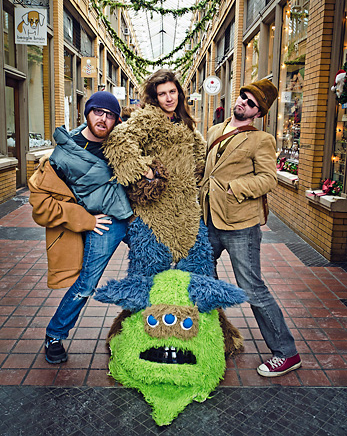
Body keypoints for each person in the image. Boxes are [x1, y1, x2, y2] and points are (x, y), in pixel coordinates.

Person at [98, 68, 244, 354]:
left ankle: (214, 336)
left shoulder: (187, 125)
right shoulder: (147, 119)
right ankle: (128, 336)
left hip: (188, 216)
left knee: (200, 275)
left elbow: (201, 160)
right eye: (162, 93)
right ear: (154, 97)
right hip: (153, 217)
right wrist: (145, 173)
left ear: (180, 93)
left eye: (172, 92)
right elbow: (118, 142)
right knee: (148, 279)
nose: (168, 98)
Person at [199, 79, 302, 377]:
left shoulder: (261, 140)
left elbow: (269, 179)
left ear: (258, 112)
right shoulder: (214, 132)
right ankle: (214, 337)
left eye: (251, 103)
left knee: (251, 288)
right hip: (208, 219)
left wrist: (235, 187)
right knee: (203, 279)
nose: (243, 102)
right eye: (243, 97)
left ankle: (286, 352)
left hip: (240, 224)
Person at [28, 91, 133, 364]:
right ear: (87, 113)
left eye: (111, 115)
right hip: (103, 223)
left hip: (133, 217)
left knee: (160, 259)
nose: (104, 119)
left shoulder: (122, 142)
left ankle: (150, 330)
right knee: (86, 283)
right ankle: (55, 334)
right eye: (99, 112)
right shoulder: (65, 152)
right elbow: (41, 201)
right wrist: (86, 220)